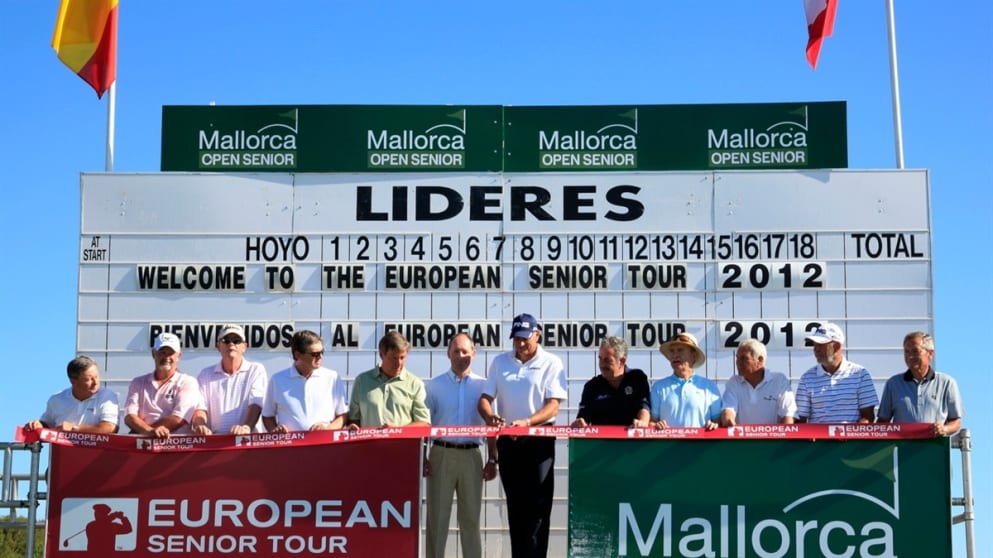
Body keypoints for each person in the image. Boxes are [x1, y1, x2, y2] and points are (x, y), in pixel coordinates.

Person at [478, 312, 567, 558]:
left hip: (539, 442)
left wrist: (527, 422)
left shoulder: (552, 362)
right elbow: (485, 399)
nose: (520, 344)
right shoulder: (500, 362)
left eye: (525, 338)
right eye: (516, 338)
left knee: (538, 511)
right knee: (516, 510)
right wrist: (489, 416)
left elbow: (553, 406)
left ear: (537, 335)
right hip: (509, 442)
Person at [424, 333, 497, 558]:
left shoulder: (484, 386)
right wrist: (422, 457)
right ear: (448, 354)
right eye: (456, 351)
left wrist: (493, 459)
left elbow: (492, 424)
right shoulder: (434, 386)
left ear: (473, 354)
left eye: (465, 351)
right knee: (437, 520)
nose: (461, 356)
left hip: (472, 456)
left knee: (471, 521)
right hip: (441, 455)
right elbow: (424, 424)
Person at [877, 332, 964, 437]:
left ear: (930, 353)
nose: (910, 356)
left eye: (915, 351)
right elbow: (882, 422)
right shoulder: (893, 384)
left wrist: (944, 429)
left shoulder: (947, 383)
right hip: (902, 450)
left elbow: (956, 421)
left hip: (935, 449)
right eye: (907, 352)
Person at [262, 329, 347, 432]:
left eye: (322, 352)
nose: (320, 357)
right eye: (315, 354)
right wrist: (276, 431)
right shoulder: (277, 380)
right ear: (298, 355)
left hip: (325, 445)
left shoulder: (332, 377)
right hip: (290, 446)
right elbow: (267, 416)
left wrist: (326, 429)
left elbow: (343, 415)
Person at [191, 324, 269, 435]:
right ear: (218, 346)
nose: (231, 344)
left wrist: (246, 428)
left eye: (237, 340)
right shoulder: (205, 374)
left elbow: (256, 404)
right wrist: (200, 425)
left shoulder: (256, 370)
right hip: (215, 444)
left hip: (247, 442)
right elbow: (200, 408)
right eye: (226, 340)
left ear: (244, 346)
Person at [795, 322, 878, 423]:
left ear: (837, 346)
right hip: (818, 439)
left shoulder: (860, 374)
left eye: (821, 345)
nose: (816, 349)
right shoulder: (807, 378)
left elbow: (868, 417)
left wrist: (849, 432)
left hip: (852, 438)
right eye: (815, 345)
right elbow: (800, 420)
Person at [124, 333, 201, 437]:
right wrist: (149, 431)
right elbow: (129, 416)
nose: (166, 357)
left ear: (178, 356)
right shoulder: (137, 382)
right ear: (153, 354)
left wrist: (146, 431)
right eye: (162, 352)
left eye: (171, 353)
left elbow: (179, 418)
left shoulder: (188, 382)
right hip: (143, 448)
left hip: (177, 448)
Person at [348, 331, 430, 428]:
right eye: (394, 358)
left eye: (402, 357)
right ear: (381, 355)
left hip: (403, 443)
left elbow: (424, 424)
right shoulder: (362, 381)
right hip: (369, 443)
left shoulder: (415, 384)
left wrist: (397, 431)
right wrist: (353, 428)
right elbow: (353, 418)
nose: (399, 363)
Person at [24, 356, 118, 434]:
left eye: (96, 376)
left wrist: (74, 429)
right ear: (73, 381)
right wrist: (37, 425)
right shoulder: (56, 400)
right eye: (89, 379)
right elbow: (47, 425)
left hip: (96, 456)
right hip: (62, 456)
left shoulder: (107, 396)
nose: (96, 382)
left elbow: (110, 428)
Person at [571, 336, 650, 427]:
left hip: (632, 439)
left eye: (607, 360)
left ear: (622, 361)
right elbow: (583, 417)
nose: (601, 364)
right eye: (600, 358)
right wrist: (579, 423)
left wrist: (642, 422)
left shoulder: (637, 378)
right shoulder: (592, 386)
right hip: (600, 441)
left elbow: (644, 407)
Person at [649, 332, 721, 430]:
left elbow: (718, 422)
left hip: (702, 444)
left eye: (680, 350)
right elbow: (652, 422)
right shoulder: (658, 387)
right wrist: (656, 426)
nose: (675, 355)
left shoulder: (709, 387)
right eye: (672, 351)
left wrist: (714, 425)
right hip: (666, 445)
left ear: (694, 355)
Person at [720, 338, 797, 425]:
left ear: (760, 360)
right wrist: (729, 423)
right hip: (741, 438)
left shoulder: (779, 381)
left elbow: (788, 417)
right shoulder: (734, 382)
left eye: (744, 358)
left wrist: (781, 438)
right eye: (737, 358)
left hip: (775, 438)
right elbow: (728, 412)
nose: (738, 363)